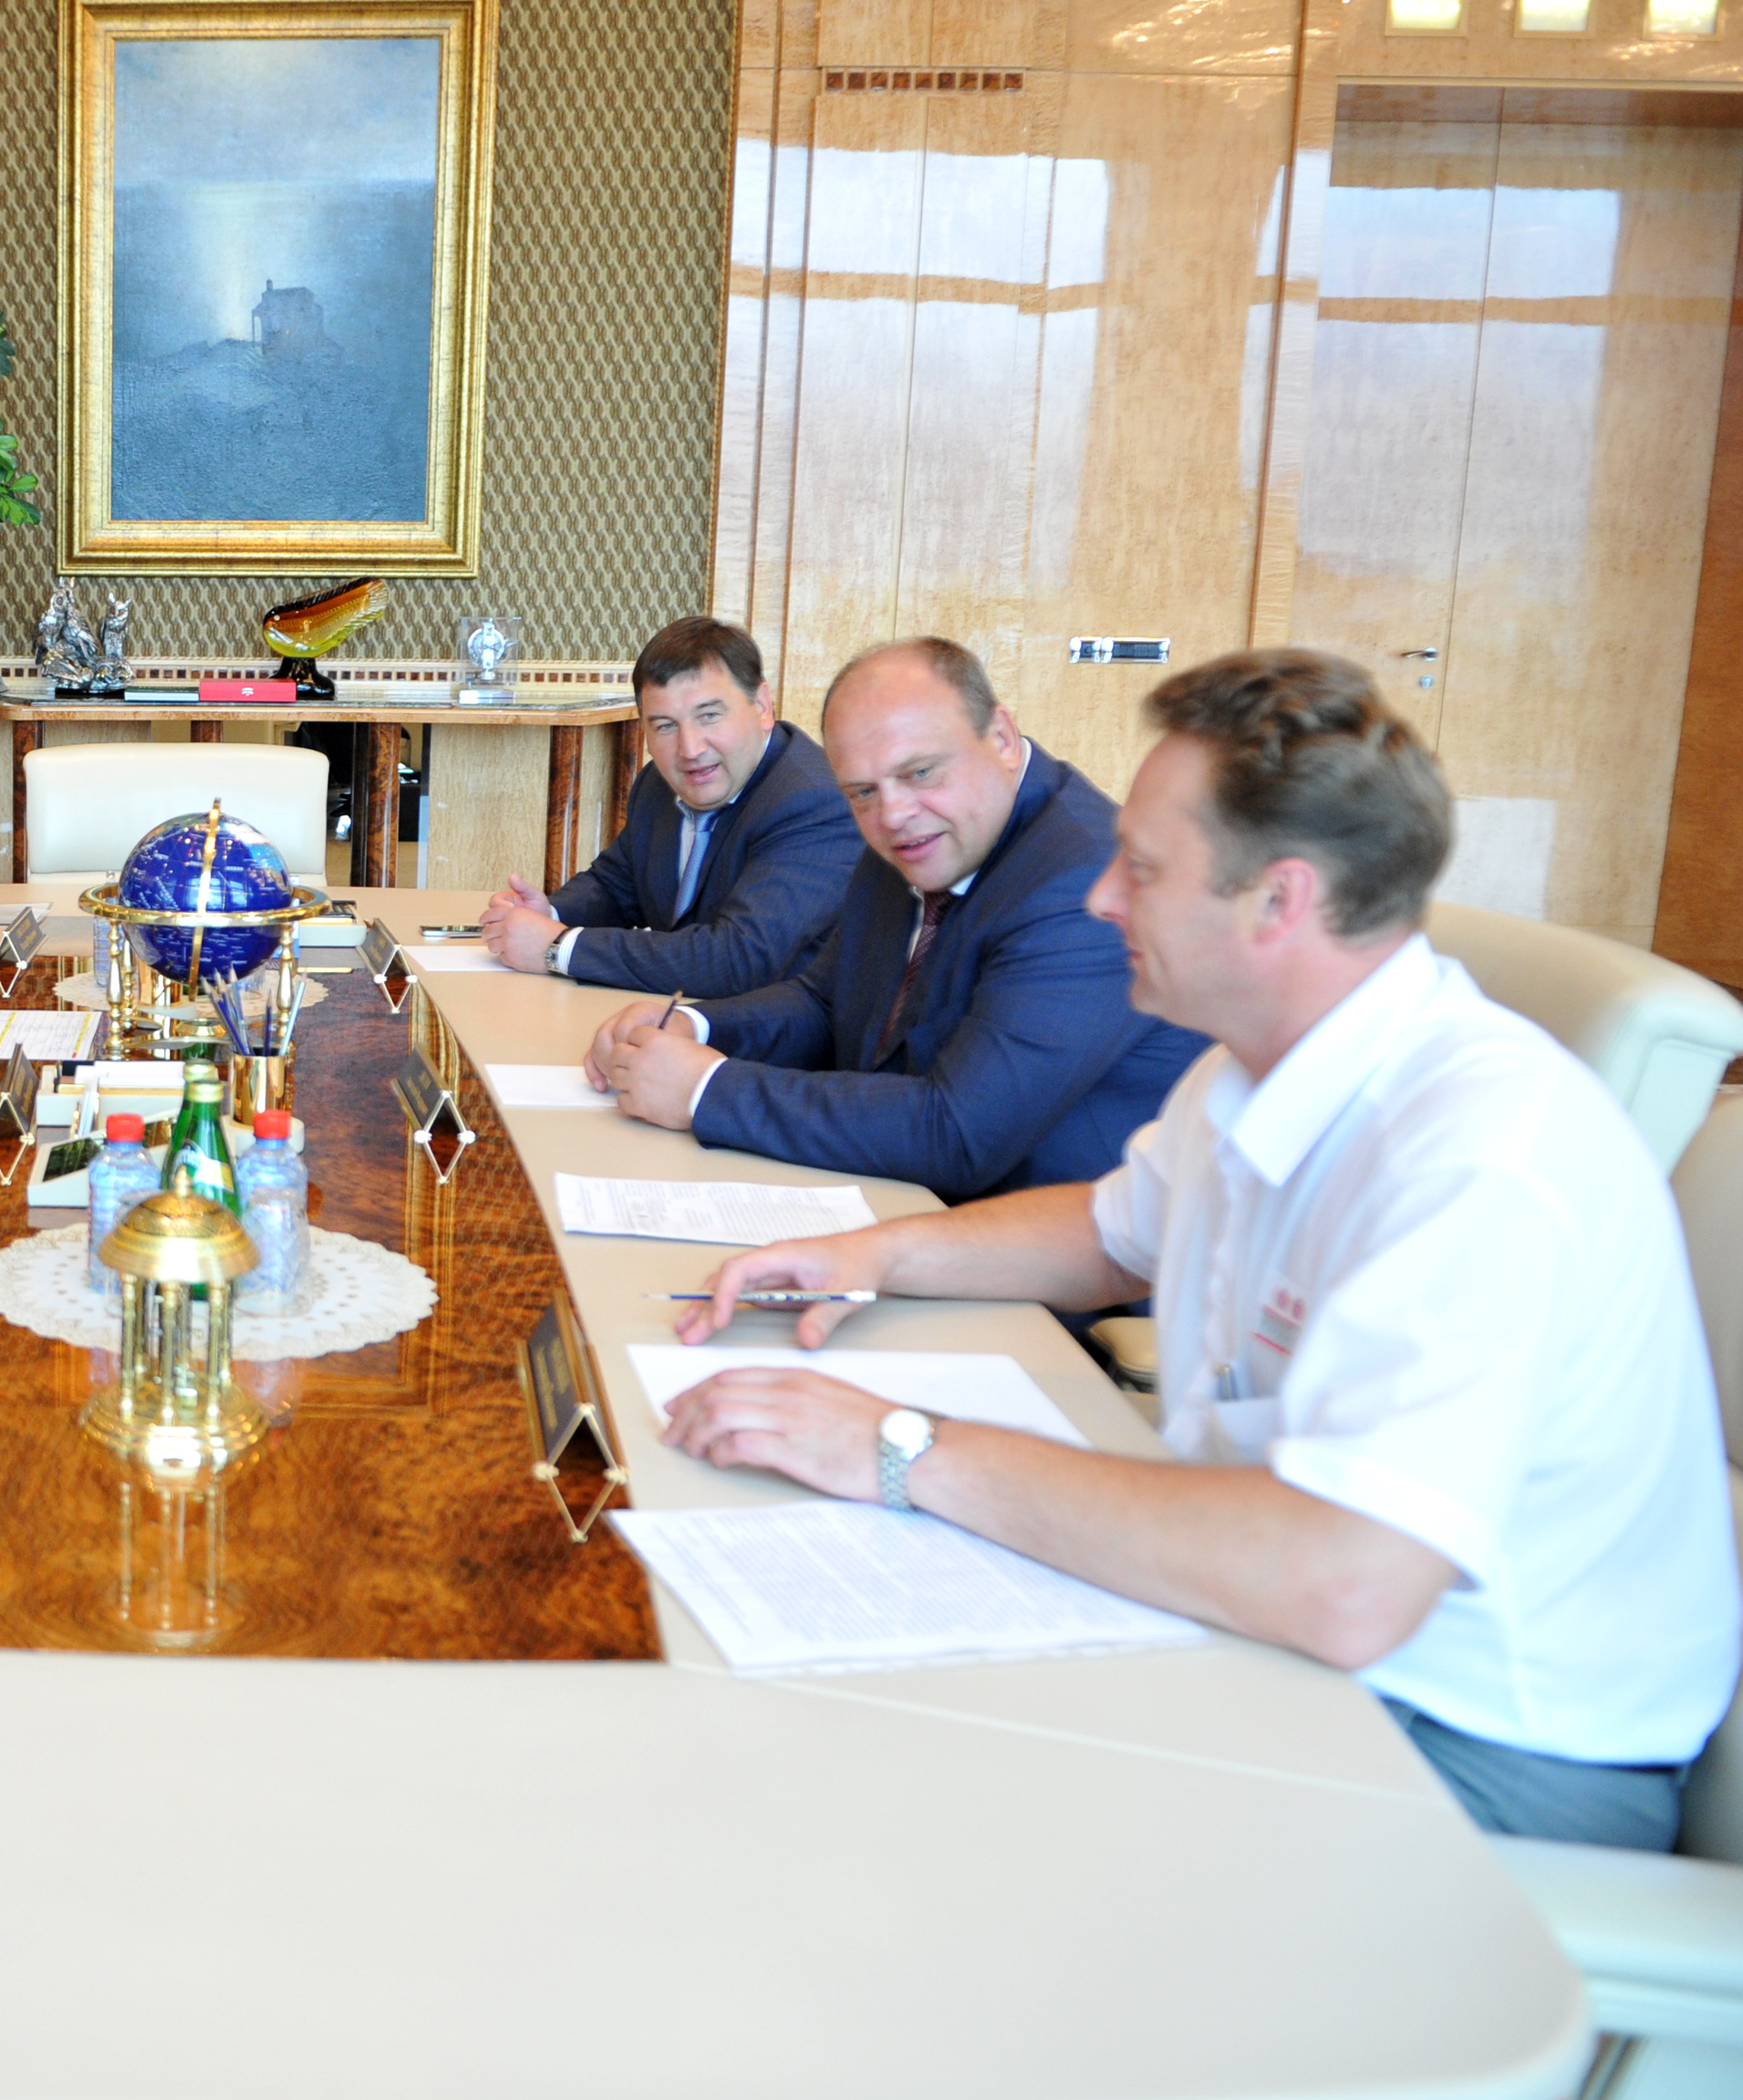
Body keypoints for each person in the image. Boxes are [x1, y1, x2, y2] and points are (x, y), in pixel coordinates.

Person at [663, 648, 1739, 1850]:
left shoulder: (1482, 1155)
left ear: (1278, 901)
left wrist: (899, 1449)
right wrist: (876, 1256)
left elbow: (1342, 1584)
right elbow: (1107, 1232)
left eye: (1141, 868)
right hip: (1305, 1649)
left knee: (914, 1808)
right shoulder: (1253, 1066)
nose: (1098, 898)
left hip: (1473, 1741)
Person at [586, 637, 1207, 1202]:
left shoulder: (1079, 884)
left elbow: (955, 1133)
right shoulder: (922, 828)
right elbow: (825, 1002)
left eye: (920, 772)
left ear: (1000, 737)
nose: (893, 814)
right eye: (861, 791)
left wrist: (706, 1090)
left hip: (1041, 1263)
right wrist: (694, 1026)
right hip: (898, 1199)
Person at [479, 616, 860, 994]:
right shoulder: (658, 784)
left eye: (709, 716)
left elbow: (738, 958)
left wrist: (559, 948)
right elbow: (617, 885)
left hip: (774, 1030)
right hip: (674, 1017)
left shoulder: (814, 802)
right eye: (665, 726)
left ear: (762, 706)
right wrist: (549, 914)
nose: (690, 749)